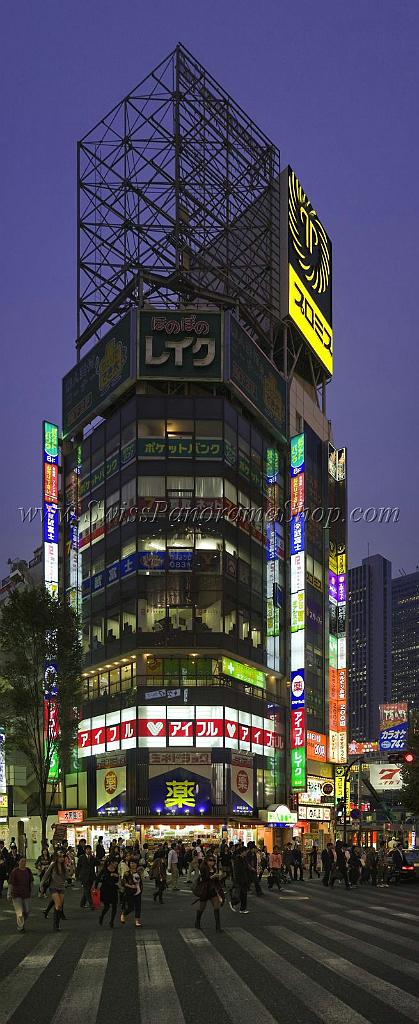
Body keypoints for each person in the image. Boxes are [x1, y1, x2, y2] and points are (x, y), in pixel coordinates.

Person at [195, 851, 224, 932]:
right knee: (202, 908)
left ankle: (218, 927)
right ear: (206, 861)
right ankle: (197, 922)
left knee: (216, 907)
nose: (212, 862)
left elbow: (217, 881)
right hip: (205, 890)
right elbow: (205, 879)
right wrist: (213, 876)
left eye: (214, 860)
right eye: (210, 860)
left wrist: (220, 876)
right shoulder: (203, 868)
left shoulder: (214, 869)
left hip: (213, 890)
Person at [40, 850, 67, 929]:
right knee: (58, 905)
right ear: (57, 857)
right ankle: (56, 925)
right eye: (60, 857)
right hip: (53, 887)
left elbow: (67, 876)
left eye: (62, 857)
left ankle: (56, 924)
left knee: (59, 906)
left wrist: (70, 869)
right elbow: (46, 874)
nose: (61, 859)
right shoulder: (53, 864)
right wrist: (41, 884)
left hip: (61, 887)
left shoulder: (63, 866)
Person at [8, 856, 33, 932]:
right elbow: (10, 883)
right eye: (22, 861)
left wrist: (31, 891)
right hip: (16, 894)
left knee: (27, 910)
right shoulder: (15, 871)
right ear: (18, 862)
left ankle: (21, 922)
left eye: (25, 861)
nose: (23, 863)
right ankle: (20, 927)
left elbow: (31, 882)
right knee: (20, 912)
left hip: (26, 893)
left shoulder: (28, 871)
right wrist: (9, 893)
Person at [121, 858, 143, 926]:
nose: (132, 864)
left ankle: (137, 921)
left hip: (138, 892)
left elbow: (140, 882)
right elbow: (123, 883)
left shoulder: (138, 873)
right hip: (130, 892)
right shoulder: (127, 873)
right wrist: (131, 886)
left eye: (134, 863)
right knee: (131, 908)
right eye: (131, 863)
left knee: (138, 907)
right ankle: (123, 914)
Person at [229, 846, 251, 914]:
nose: (246, 853)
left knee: (243, 894)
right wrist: (237, 880)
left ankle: (242, 908)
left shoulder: (244, 859)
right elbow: (236, 871)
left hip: (244, 879)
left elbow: (246, 868)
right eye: (245, 851)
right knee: (240, 894)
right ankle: (233, 903)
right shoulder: (237, 860)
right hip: (239, 879)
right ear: (242, 852)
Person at [98, 858, 119, 927]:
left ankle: (111, 921)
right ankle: (101, 916)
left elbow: (117, 880)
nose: (116, 865)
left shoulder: (116, 870)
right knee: (106, 907)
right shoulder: (104, 870)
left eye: (116, 864)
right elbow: (98, 878)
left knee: (114, 906)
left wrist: (116, 876)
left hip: (114, 890)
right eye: (115, 863)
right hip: (105, 890)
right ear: (110, 863)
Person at [76, 844, 96, 908]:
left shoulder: (92, 857)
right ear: (85, 850)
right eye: (87, 849)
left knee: (87, 890)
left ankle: (82, 903)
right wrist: (77, 875)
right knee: (87, 890)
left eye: (89, 849)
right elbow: (78, 867)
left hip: (91, 876)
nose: (88, 850)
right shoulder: (81, 857)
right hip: (84, 876)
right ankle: (91, 904)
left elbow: (96, 864)